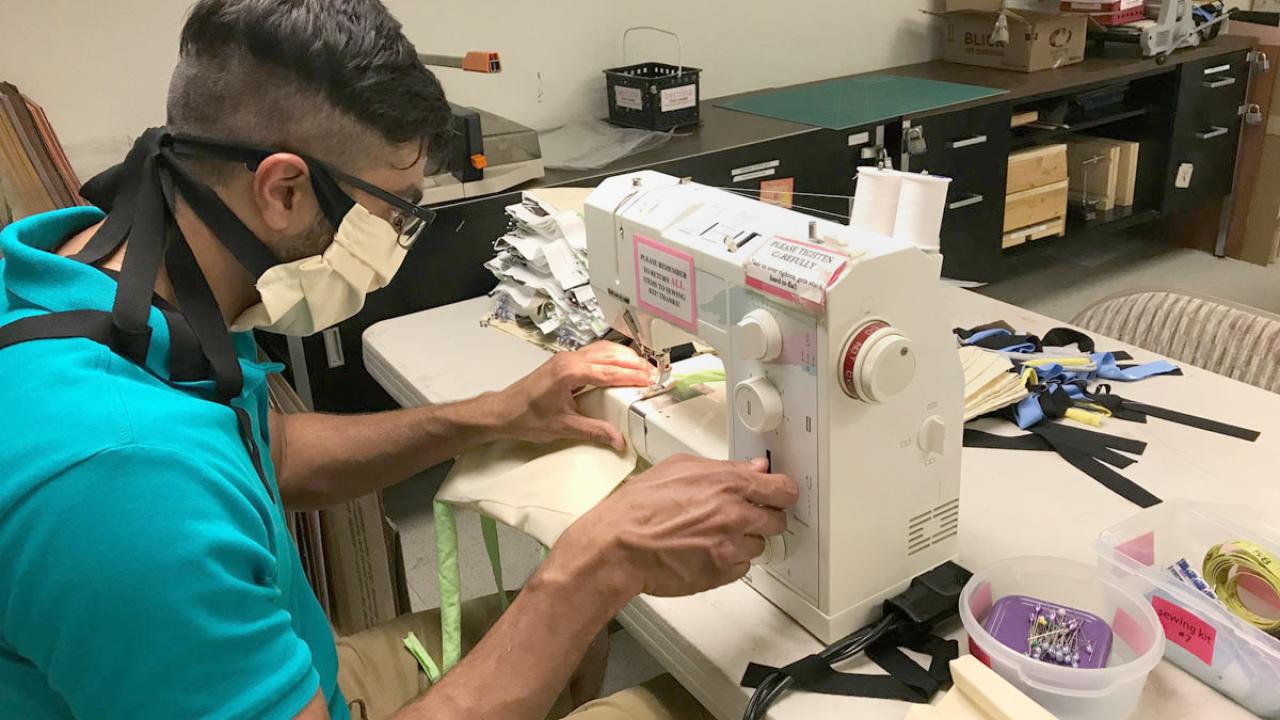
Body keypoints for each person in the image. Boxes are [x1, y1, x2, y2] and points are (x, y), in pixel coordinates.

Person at [0, 1, 798, 719]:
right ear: (283, 190)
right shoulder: (123, 484)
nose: (397, 240)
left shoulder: (106, 281)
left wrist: (491, 415)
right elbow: (161, 493)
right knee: (714, 699)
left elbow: (268, 455)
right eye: (396, 211)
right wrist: (597, 561)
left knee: (580, 638)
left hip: (268, 667)